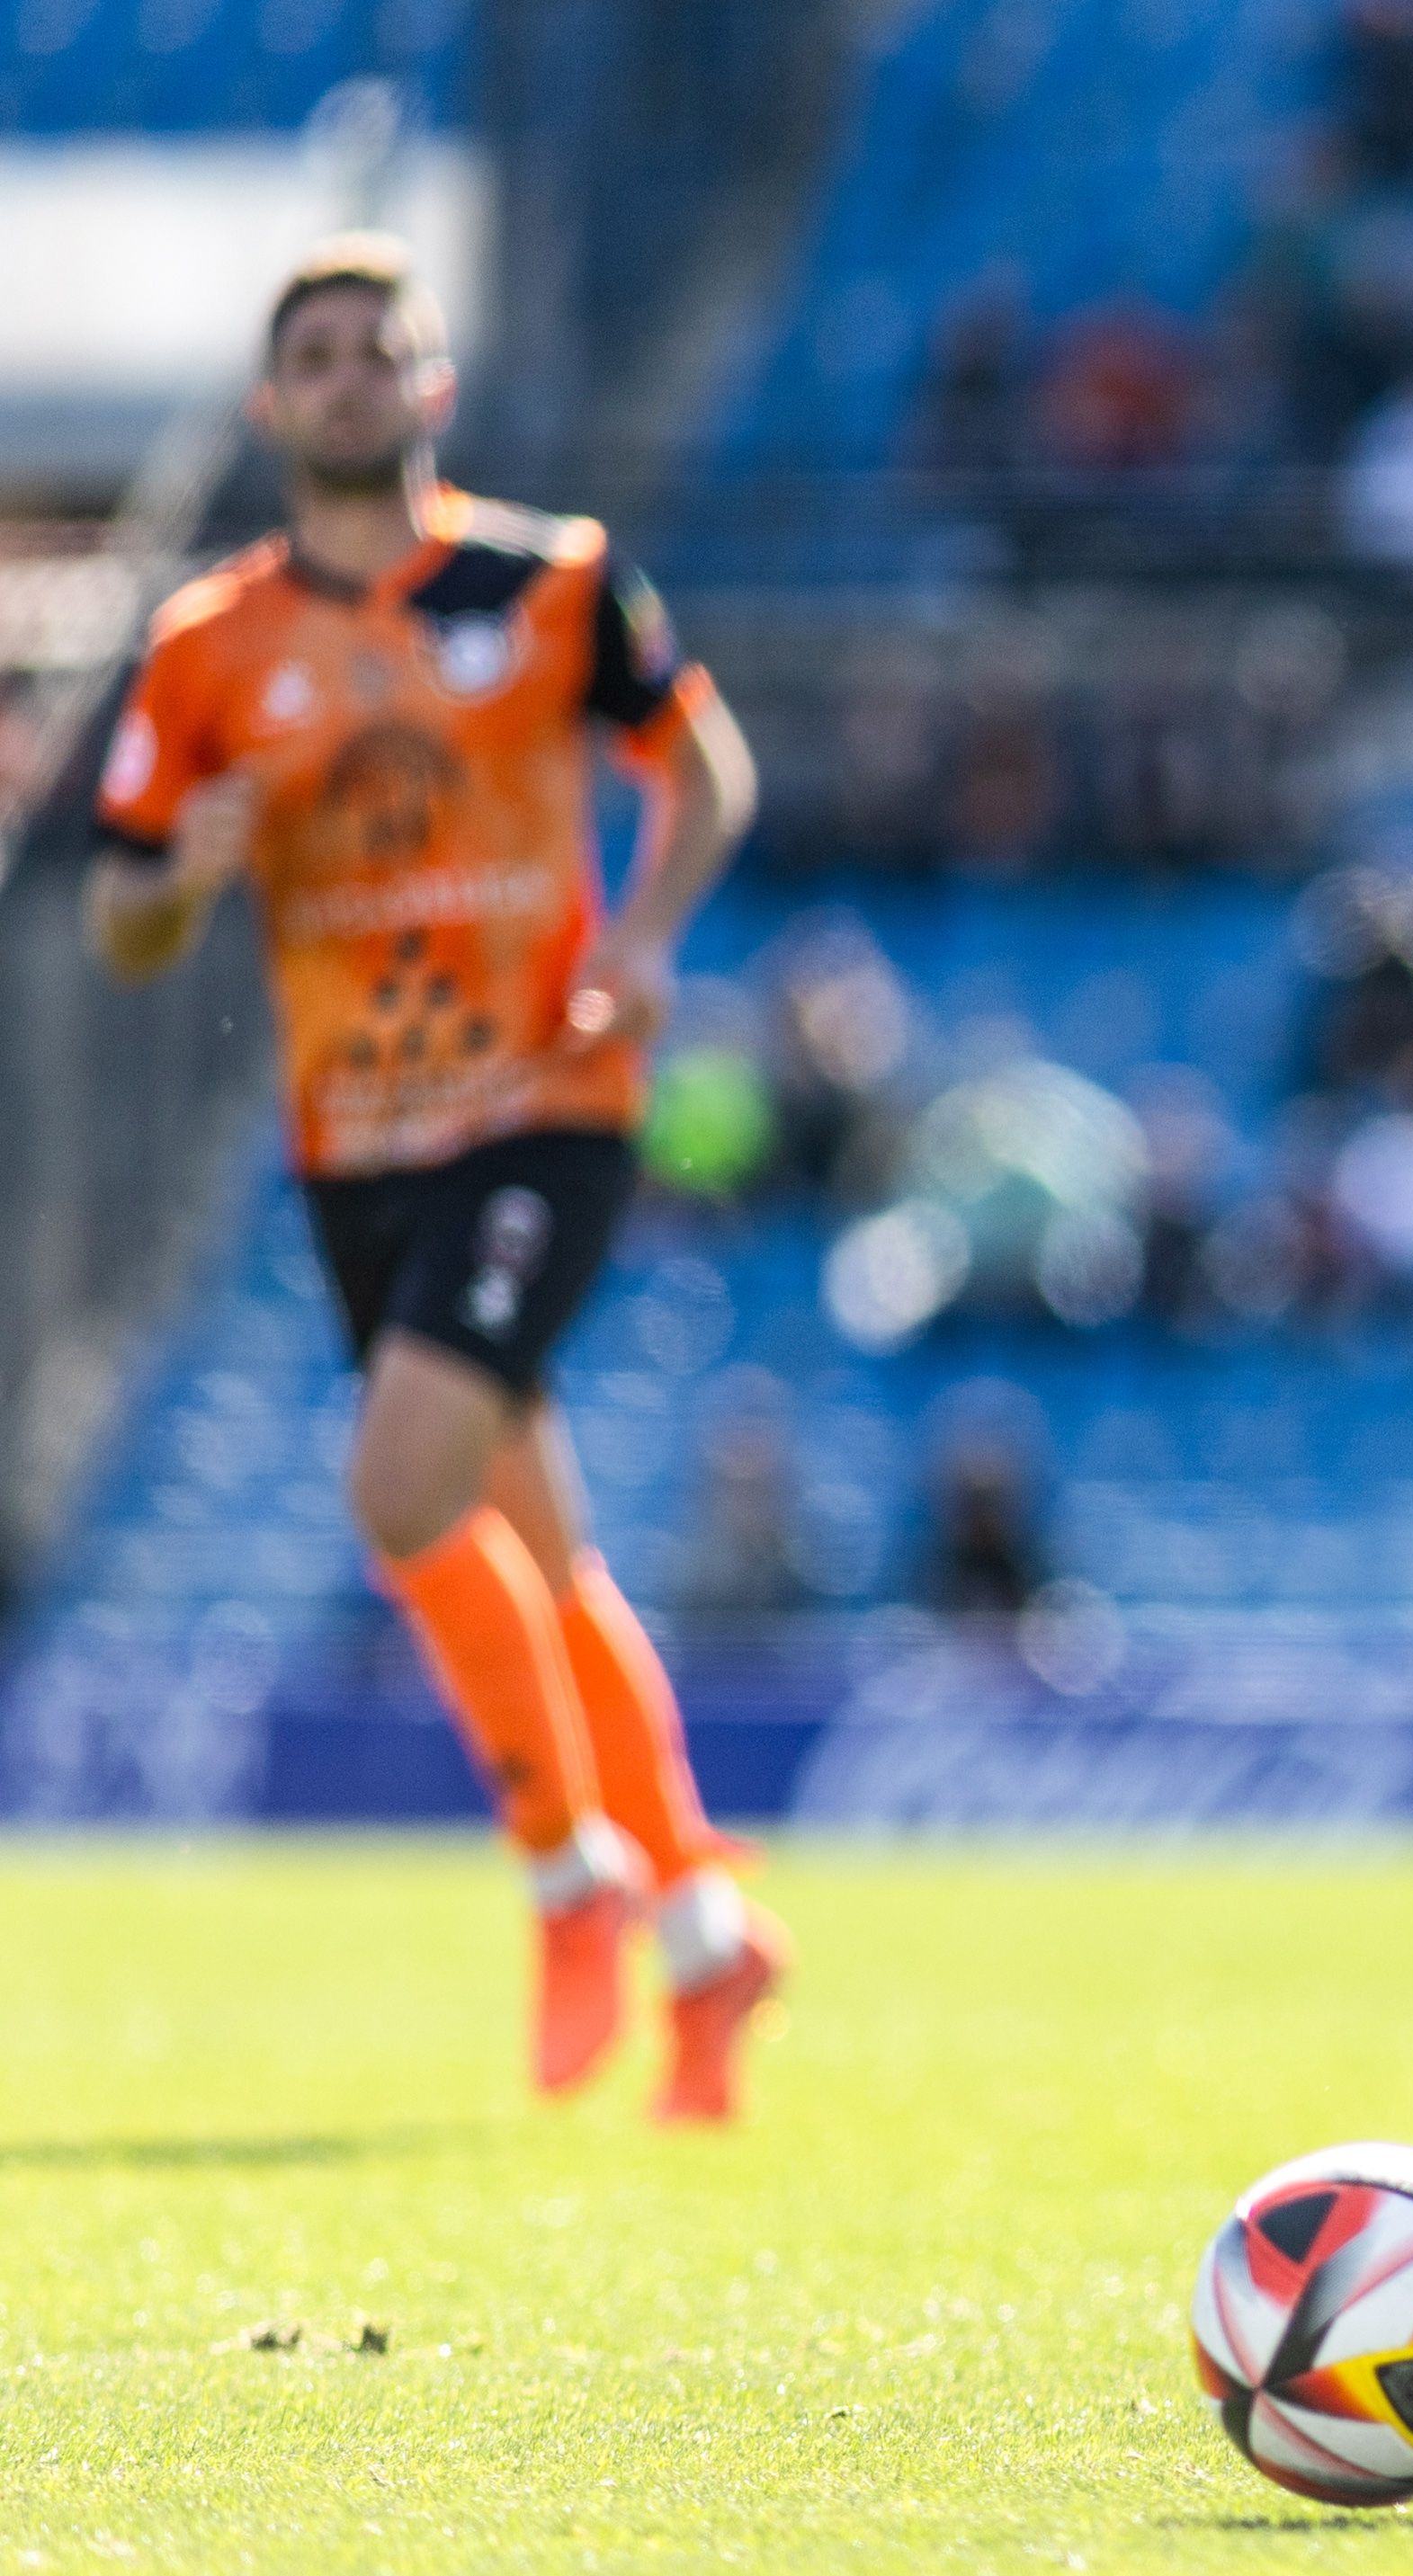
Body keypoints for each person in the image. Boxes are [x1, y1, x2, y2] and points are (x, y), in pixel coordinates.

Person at [84, 237, 784, 2123]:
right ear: (268, 403)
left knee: (399, 1485)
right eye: (309, 352)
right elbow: (120, 914)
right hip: (356, 1144)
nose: (344, 376)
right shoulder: (205, 644)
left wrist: (641, 933)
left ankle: (575, 1878)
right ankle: (713, 1933)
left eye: (374, 346)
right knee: (538, 1551)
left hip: (548, 1098)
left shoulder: (548, 582)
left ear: (433, 381)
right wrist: (187, 869)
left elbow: (703, 768)